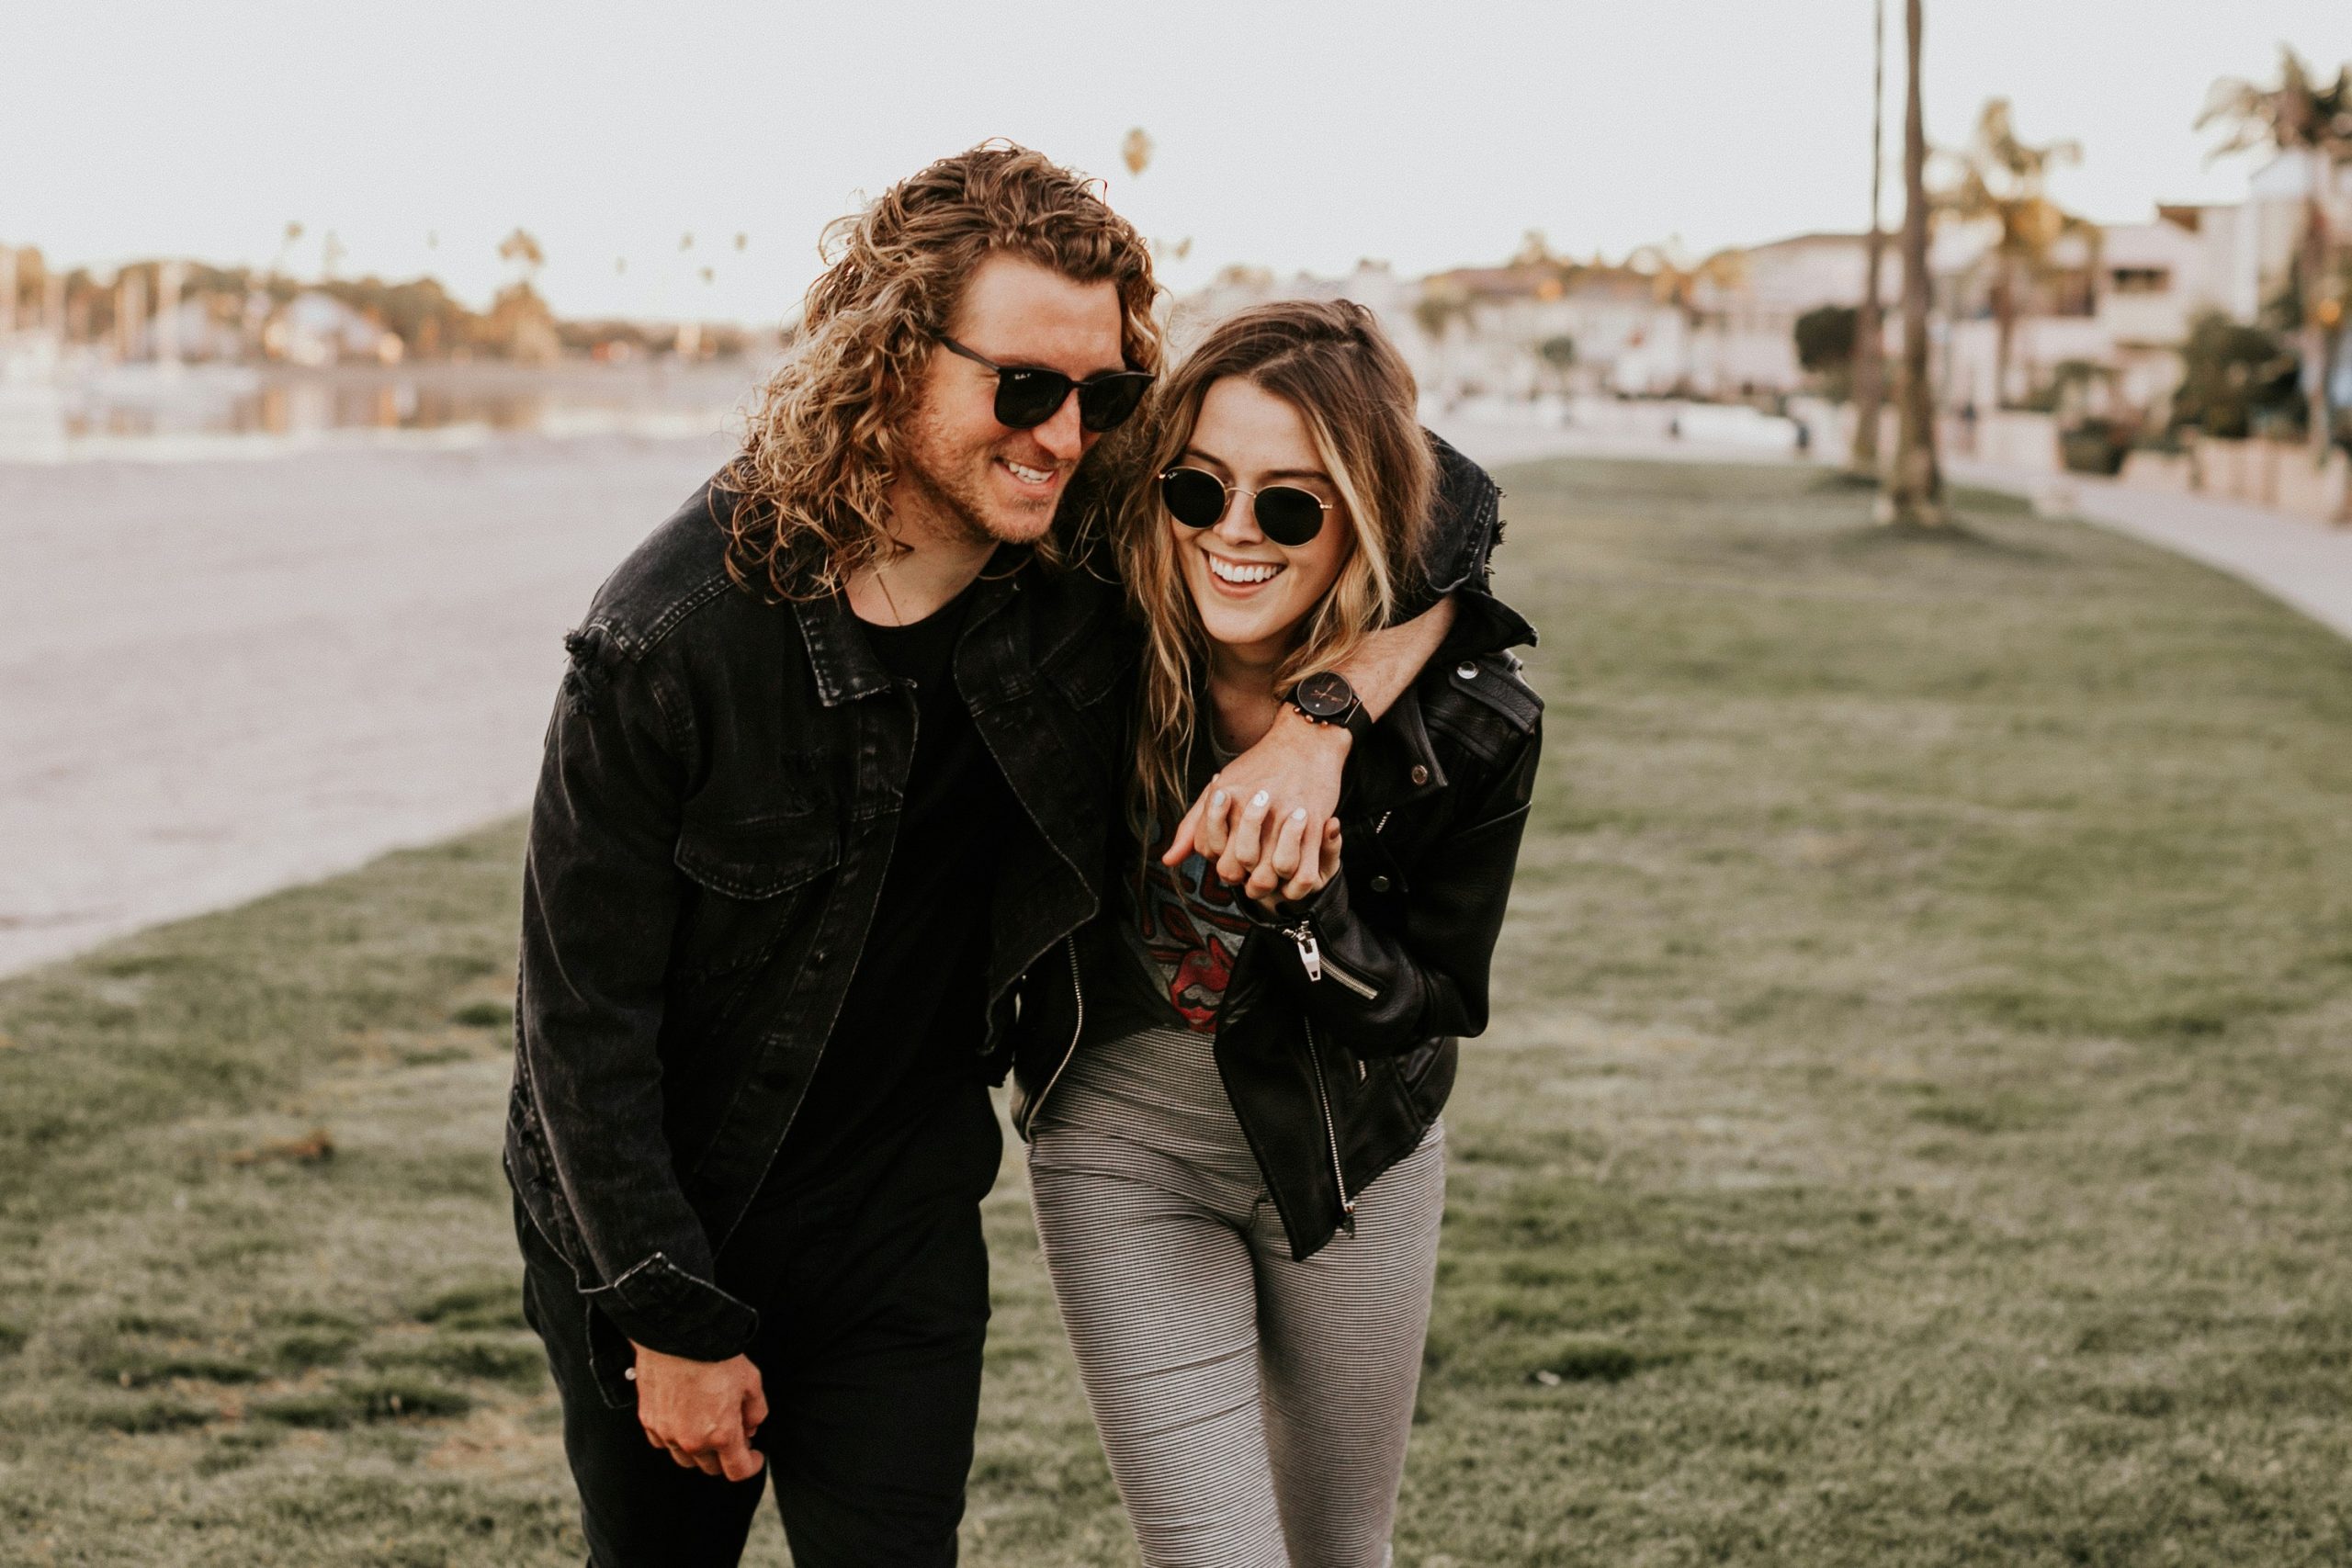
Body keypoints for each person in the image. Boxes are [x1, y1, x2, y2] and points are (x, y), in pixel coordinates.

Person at [504, 145, 1500, 1567]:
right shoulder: (668, 642)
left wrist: (1320, 728)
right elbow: (578, 1023)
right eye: (1023, 388)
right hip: (664, 1217)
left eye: (1105, 396)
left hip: (898, 1227)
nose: (1064, 433)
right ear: (891, 358)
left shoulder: (1069, 537)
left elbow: (1445, 515)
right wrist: (665, 1312)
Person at [1012, 300, 1543, 1568]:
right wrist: (1324, 714)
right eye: (1200, 489)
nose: (1234, 535)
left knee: (1338, 1553)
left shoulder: (1472, 727)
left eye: (1293, 506)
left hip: (1353, 1149)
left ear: (1361, 520)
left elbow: (1428, 1003)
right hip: (1120, 1143)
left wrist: (1313, 902)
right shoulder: (1099, 615)